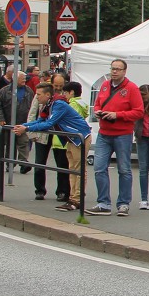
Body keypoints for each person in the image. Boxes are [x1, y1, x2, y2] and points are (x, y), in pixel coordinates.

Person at [13, 83, 90, 206]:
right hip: (71, 138)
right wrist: (25, 125)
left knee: (78, 169)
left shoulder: (58, 104)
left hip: (79, 137)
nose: (36, 97)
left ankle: (77, 199)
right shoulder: (49, 105)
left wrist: (26, 129)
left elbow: (49, 123)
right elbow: (41, 120)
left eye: (38, 95)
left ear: (47, 95)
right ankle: (73, 197)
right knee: (72, 168)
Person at [89, 59, 144, 217]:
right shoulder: (105, 85)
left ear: (124, 71)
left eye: (118, 69)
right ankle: (103, 203)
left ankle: (123, 204)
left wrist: (117, 115)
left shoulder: (132, 88)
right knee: (99, 168)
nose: (114, 72)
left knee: (124, 169)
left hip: (122, 134)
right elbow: (98, 104)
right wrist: (99, 111)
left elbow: (138, 111)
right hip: (104, 133)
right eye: (113, 69)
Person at [53, 81, 89, 211]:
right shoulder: (81, 103)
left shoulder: (72, 104)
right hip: (75, 139)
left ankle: (75, 197)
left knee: (76, 168)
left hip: (76, 139)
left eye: (65, 93)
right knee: (75, 168)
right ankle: (75, 196)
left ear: (71, 92)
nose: (64, 95)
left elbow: (64, 119)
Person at [0, 71, 33, 180]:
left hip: (23, 123)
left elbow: (34, 106)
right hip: (9, 123)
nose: (25, 80)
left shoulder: (29, 91)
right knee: (10, 143)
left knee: (23, 142)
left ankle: (23, 163)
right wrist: (1, 119)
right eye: (22, 79)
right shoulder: (4, 91)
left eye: (25, 78)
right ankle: (10, 163)